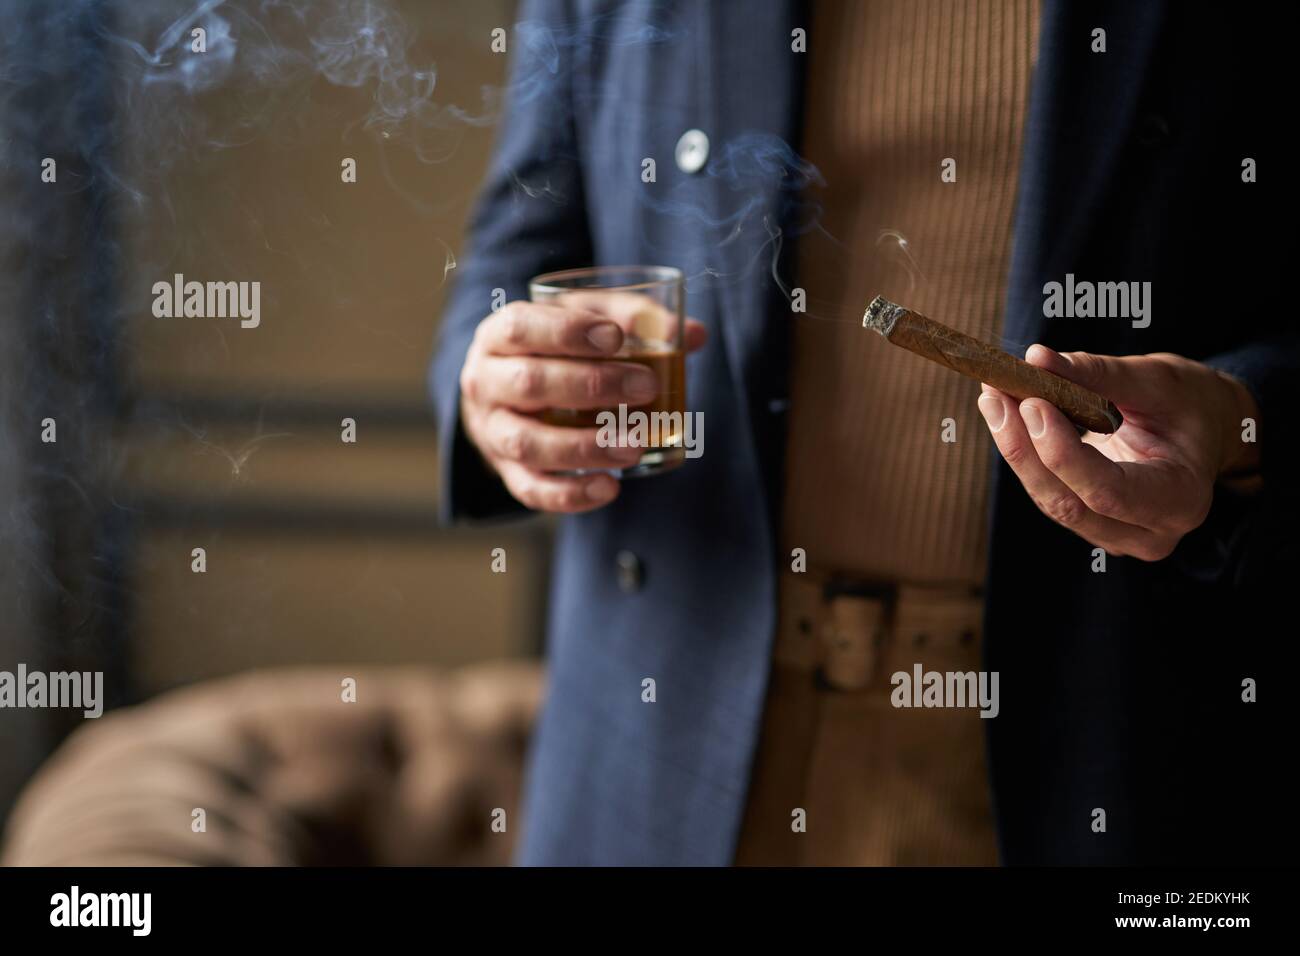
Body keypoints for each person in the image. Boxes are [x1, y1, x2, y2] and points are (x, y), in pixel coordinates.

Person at [431, 0, 1290, 865]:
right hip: (661, 734)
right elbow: (519, 239)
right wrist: (496, 386)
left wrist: (1242, 420)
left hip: (1094, 742)